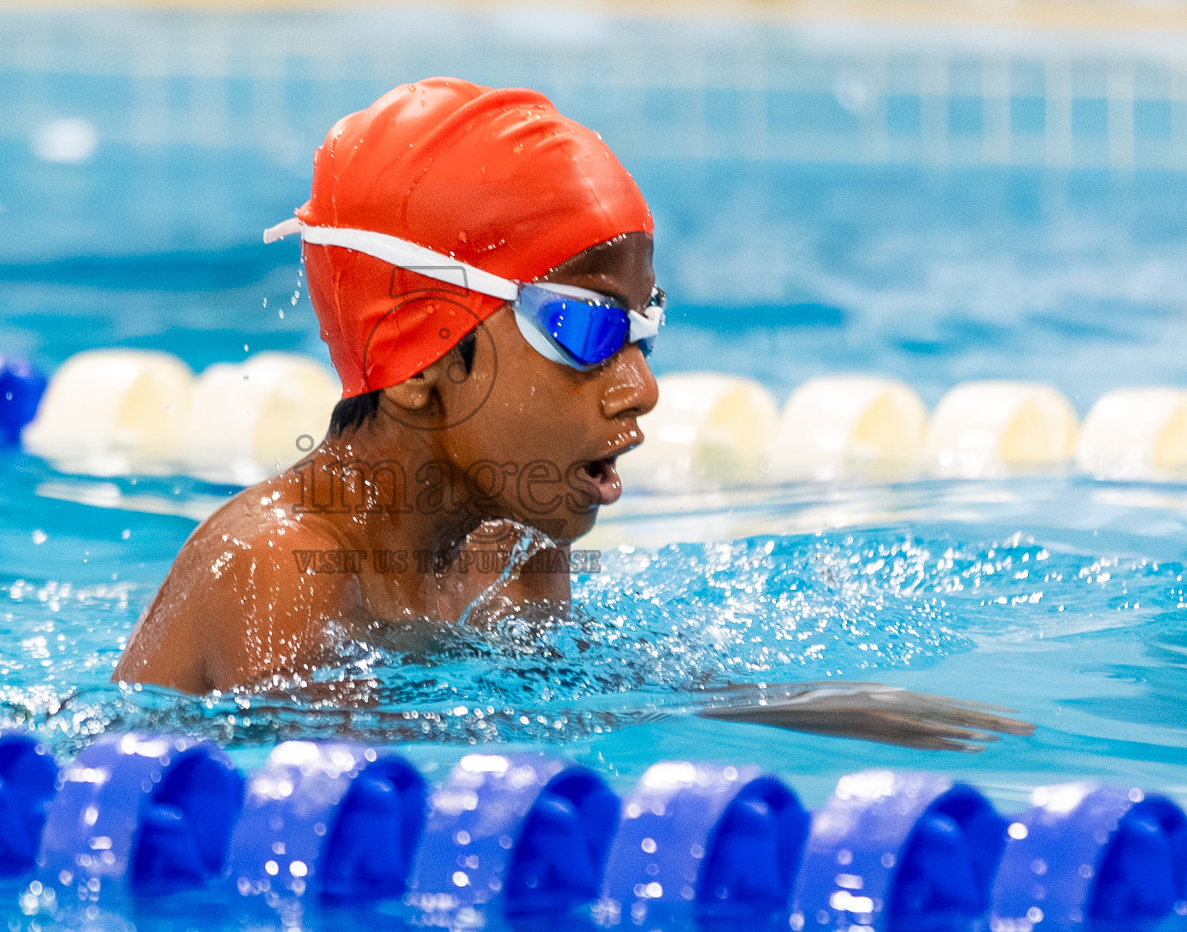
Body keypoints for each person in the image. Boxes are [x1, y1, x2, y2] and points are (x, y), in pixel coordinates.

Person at [114, 78, 1032, 752]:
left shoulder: (509, 544)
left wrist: (803, 705)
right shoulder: (277, 567)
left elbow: (585, 693)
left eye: (643, 328)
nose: (641, 387)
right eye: (587, 327)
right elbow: (334, 816)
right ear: (417, 360)